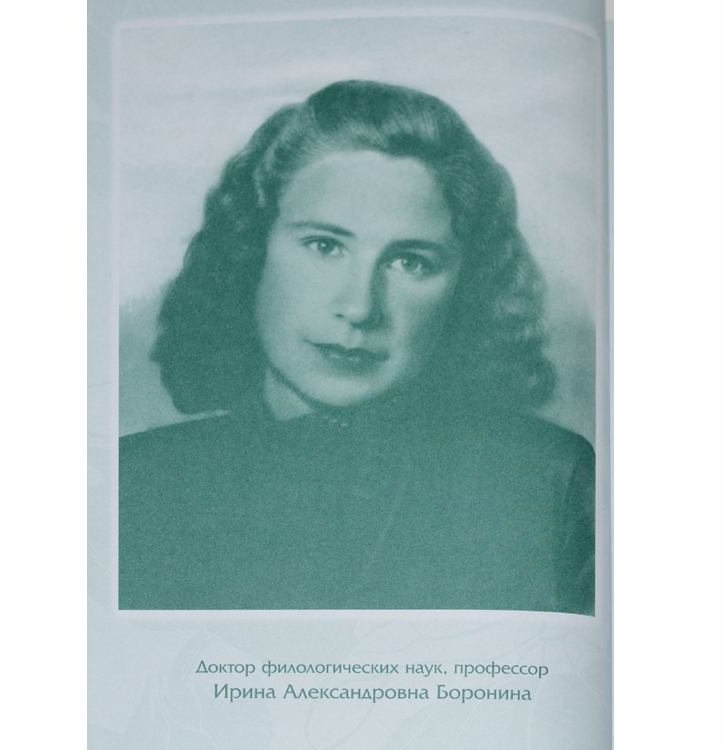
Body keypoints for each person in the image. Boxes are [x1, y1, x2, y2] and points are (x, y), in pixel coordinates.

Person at [119, 80, 595, 613]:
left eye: (410, 262)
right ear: (252, 250)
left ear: (464, 286)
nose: (360, 306)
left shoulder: (548, 480)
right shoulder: (133, 484)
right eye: (325, 246)